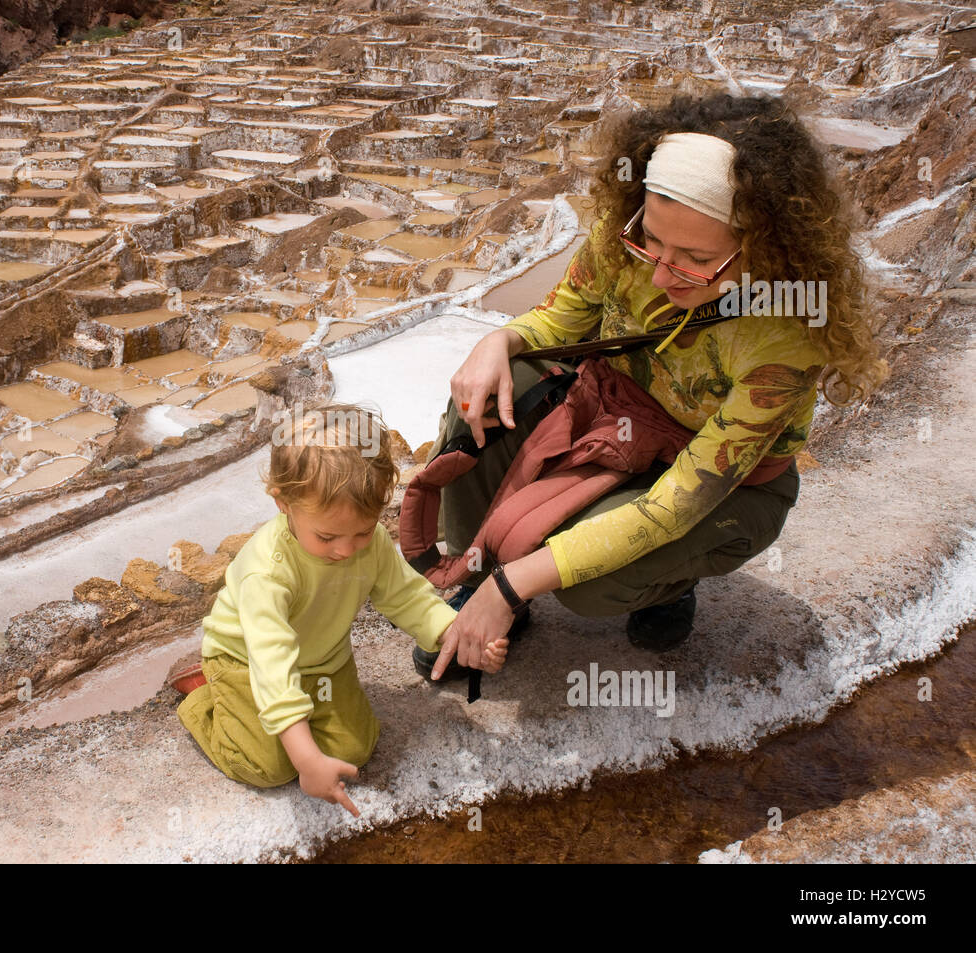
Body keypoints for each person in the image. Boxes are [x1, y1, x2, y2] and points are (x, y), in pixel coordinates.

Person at [420, 92, 888, 679]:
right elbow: (557, 324)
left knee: (595, 587)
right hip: (615, 426)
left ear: (764, 246)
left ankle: (665, 584)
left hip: (716, 483)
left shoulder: (785, 340)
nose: (662, 273)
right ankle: (481, 570)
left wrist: (520, 584)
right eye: (654, 241)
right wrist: (497, 343)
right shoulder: (622, 242)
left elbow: (673, 504)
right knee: (495, 387)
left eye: (696, 258)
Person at [173, 400, 508, 815]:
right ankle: (202, 697)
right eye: (327, 536)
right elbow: (272, 663)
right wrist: (305, 759)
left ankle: (298, 718)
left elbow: (405, 597)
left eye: (363, 531)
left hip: (323, 660)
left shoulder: (368, 544)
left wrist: (455, 632)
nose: (346, 549)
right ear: (283, 503)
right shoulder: (268, 572)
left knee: (355, 749)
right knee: (266, 765)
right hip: (246, 660)